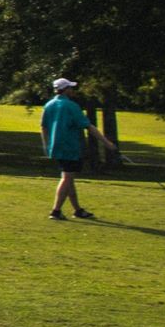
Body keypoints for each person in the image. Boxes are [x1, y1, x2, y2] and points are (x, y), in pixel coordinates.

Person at [41, 76, 111, 220]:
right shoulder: (71, 106)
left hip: (56, 147)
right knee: (67, 178)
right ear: (65, 90)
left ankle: (77, 209)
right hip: (70, 146)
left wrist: (46, 146)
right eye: (70, 88)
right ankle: (56, 211)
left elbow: (43, 127)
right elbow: (88, 126)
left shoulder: (49, 105)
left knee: (68, 177)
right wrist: (106, 142)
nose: (72, 90)